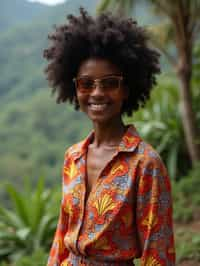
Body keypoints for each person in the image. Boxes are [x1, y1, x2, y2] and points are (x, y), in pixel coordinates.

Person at [43, 8, 175, 266]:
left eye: (110, 83)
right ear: (75, 88)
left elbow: (157, 251)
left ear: (126, 89)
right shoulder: (73, 157)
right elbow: (62, 236)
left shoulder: (146, 164)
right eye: (86, 83)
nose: (97, 93)